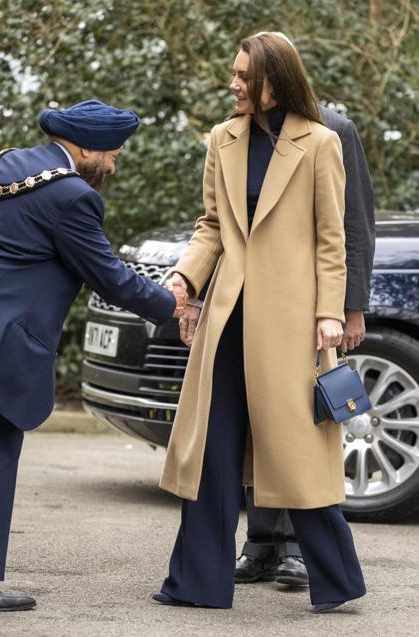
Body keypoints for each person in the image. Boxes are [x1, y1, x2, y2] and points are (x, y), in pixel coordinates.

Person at [153, 32, 366, 613]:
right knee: (211, 452)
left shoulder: (321, 142)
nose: (234, 84)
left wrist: (329, 312)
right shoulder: (222, 138)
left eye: (244, 76)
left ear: (276, 81)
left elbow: (332, 238)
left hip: (293, 321)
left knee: (299, 453)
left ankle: (338, 581)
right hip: (227, 318)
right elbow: (212, 227)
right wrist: (184, 281)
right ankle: (196, 583)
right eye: (234, 74)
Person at [0, 100, 187, 613]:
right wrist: (176, 307)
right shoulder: (71, 196)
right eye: (112, 154)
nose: (114, 164)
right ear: (85, 149)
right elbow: (109, 276)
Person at [233, 93, 375, 586]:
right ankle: (260, 545)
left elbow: (352, 224)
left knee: (304, 425)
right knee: (260, 424)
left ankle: (295, 549)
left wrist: (348, 306)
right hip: (252, 307)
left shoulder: (334, 128)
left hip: (309, 306)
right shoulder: (238, 130)